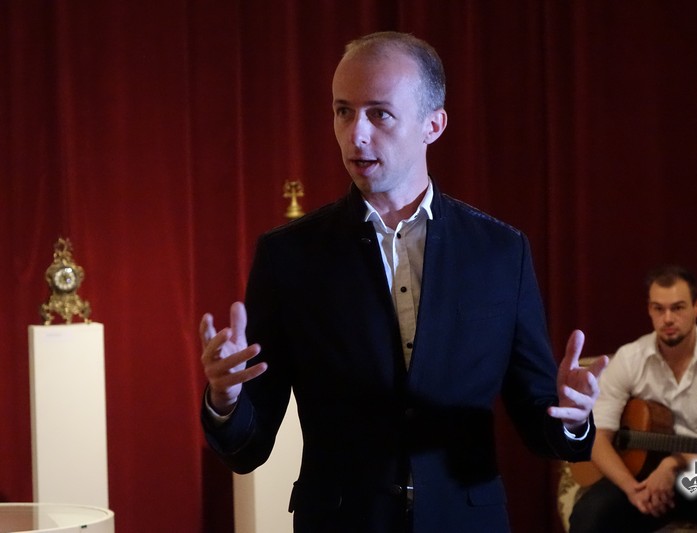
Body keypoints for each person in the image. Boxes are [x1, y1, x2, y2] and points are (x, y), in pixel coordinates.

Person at [200, 31, 607, 533]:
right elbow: (249, 447)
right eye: (343, 111)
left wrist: (572, 418)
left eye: (379, 114)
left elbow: (538, 420)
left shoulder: (500, 253)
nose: (356, 134)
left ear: (433, 125)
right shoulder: (289, 256)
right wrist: (225, 402)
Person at [569, 265, 697, 533]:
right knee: (589, 514)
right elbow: (598, 436)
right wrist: (631, 488)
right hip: (641, 478)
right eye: (659, 309)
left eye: (678, 308)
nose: (667, 318)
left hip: (696, 478)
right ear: (649, 309)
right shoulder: (630, 358)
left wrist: (671, 465)